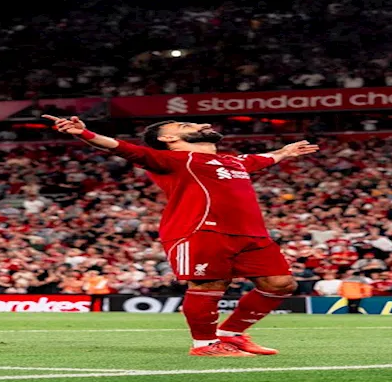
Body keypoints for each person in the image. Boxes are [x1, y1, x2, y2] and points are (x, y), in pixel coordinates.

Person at [44, 115, 319, 357]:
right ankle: (204, 343)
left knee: (281, 284)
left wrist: (284, 152)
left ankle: (230, 334)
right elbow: (124, 149)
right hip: (201, 229)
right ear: (168, 138)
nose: (202, 125)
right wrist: (84, 133)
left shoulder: (232, 161)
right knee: (209, 285)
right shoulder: (173, 159)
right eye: (187, 125)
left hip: (252, 234)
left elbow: (260, 159)